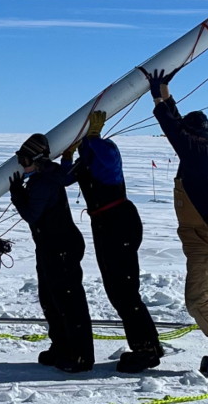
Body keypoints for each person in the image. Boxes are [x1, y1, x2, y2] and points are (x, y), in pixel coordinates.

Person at [142, 67, 208, 378]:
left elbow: (174, 130)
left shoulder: (198, 153)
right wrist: (164, 93)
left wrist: (159, 97)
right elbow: (178, 128)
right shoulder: (200, 152)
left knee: (199, 301)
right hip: (205, 238)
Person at [61, 110, 163, 372]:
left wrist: (93, 138)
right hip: (105, 225)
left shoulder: (105, 150)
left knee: (124, 290)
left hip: (119, 223)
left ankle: (147, 350)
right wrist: (68, 154)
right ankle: (147, 343)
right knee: (116, 289)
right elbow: (66, 178)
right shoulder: (87, 159)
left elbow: (108, 160)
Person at [9, 132, 95, 373]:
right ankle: (62, 347)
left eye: (24, 159)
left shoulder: (43, 181)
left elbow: (31, 214)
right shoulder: (48, 175)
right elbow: (66, 176)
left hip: (60, 247)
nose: (21, 164)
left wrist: (17, 195)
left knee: (69, 302)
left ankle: (80, 356)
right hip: (51, 246)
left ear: (36, 160)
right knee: (50, 299)